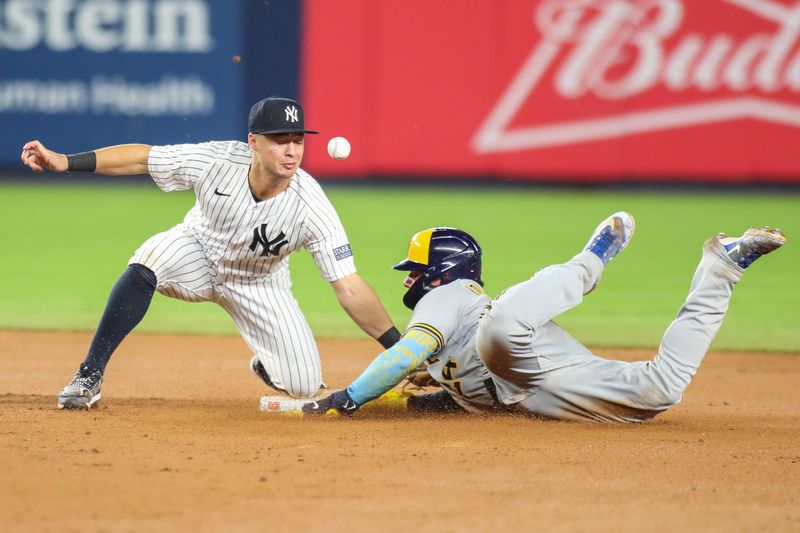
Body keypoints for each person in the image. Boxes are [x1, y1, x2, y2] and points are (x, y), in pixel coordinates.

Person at [21, 96, 401, 410]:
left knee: (303, 386)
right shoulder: (218, 160)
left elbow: (348, 286)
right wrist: (67, 161)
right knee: (149, 260)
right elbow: (142, 158)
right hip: (197, 251)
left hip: (260, 284)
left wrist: (400, 350)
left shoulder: (312, 207)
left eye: (297, 140)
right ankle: (89, 375)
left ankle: (268, 362)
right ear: (253, 142)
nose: (291, 150)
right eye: (279, 139)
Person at [302, 212, 787, 422]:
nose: (408, 281)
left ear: (439, 272)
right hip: (538, 391)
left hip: (515, 349)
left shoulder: (446, 295)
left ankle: (593, 256)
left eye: (415, 271)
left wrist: (349, 397)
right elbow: (452, 398)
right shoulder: (439, 345)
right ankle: (723, 265)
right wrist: (418, 401)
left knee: (504, 321)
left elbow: (403, 354)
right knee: (661, 391)